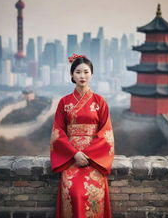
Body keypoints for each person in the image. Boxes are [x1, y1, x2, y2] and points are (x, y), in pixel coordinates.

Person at [50, 54, 114, 218]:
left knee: (93, 196)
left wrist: (89, 155)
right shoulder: (64, 102)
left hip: (93, 160)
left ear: (91, 74)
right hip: (71, 158)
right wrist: (74, 154)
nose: (82, 76)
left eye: (86, 72)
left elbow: (106, 133)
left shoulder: (100, 102)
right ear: (72, 75)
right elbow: (58, 132)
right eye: (78, 72)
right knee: (73, 192)